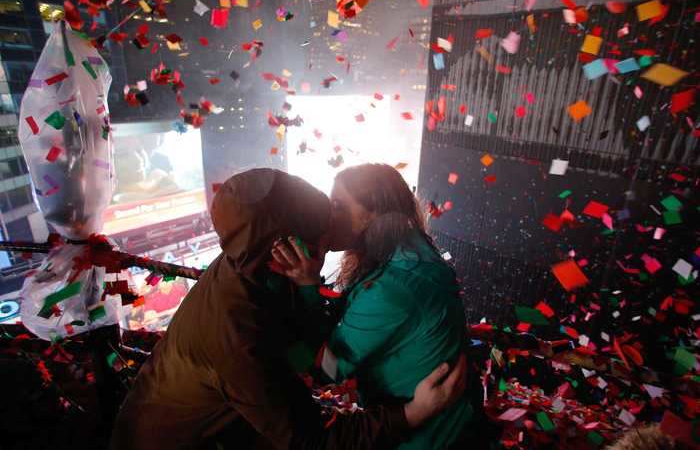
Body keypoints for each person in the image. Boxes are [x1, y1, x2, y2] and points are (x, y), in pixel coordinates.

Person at [110, 168, 467, 450]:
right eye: (320, 233)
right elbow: (312, 434)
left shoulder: (253, 262)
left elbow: (307, 351)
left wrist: (309, 294)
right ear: (284, 248)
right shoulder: (235, 334)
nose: (330, 229)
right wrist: (411, 414)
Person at [272, 163, 478, 450]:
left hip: (424, 439)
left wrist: (307, 288)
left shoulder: (390, 288)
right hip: (446, 428)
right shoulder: (409, 253)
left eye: (338, 205)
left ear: (372, 215)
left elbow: (327, 370)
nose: (329, 215)